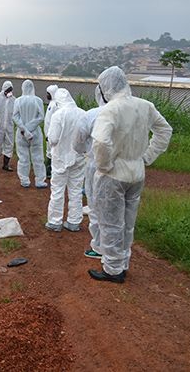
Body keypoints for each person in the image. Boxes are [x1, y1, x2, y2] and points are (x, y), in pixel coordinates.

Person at [88, 66, 172, 283]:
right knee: (127, 222)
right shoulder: (145, 106)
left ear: (106, 87)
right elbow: (165, 130)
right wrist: (146, 156)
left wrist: (104, 165)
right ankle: (122, 263)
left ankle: (112, 269)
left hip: (114, 175)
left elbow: (100, 141)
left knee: (110, 223)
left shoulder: (111, 109)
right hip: (137, 172)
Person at [45, 89, 86, 232]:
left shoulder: (58, 115)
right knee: (76, 190)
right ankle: (74, 221)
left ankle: (55, 221)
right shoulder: (83, 113)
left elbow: (53, 139)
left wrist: (50, 140)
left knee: (57, 189)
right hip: (79, 157)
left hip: (61, 158)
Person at [73, 86, 106, 258]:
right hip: (124, 168)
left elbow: (78, 143)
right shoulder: (131, 111)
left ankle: (99, 247)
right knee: (118, 210)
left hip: (97, 166)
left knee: (95, 206)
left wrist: (86, 150)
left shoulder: (92, 114)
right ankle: (118, 253)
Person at [12, 80, 48, 188]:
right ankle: (40, 181)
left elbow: (15, 117)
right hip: (35, 133)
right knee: (38, 158)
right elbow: (41, 117)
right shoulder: (38, 100)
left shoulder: (18, 100)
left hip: (21, 133)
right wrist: (30, 129)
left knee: (23, 157)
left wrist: (24, 129)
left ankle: (24, 180)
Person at [44, 84, 59, 179]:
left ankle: (49, 171)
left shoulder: (54, 105)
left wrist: (49, 134)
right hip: (49, 133)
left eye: (48, 93)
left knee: (51, 152)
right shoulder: (51, 103)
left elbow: (52, 122)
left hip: (51, 134)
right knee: (49, 152)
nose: (46, 95)